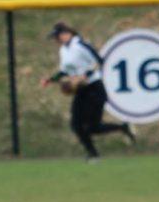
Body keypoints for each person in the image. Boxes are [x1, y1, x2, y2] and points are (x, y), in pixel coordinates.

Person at [42, 22, 135, 162]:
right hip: (81, 90)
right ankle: (93, 154)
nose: (56, 40)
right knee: (76, 125)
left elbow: (99, 61)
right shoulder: (63, 50)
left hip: (95, 88)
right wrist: (51, 79)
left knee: (93, 127)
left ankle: (122, 127)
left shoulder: (80, 45)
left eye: (57, 36)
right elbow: (65, 71)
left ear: (66, 34)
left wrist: (84, 76)